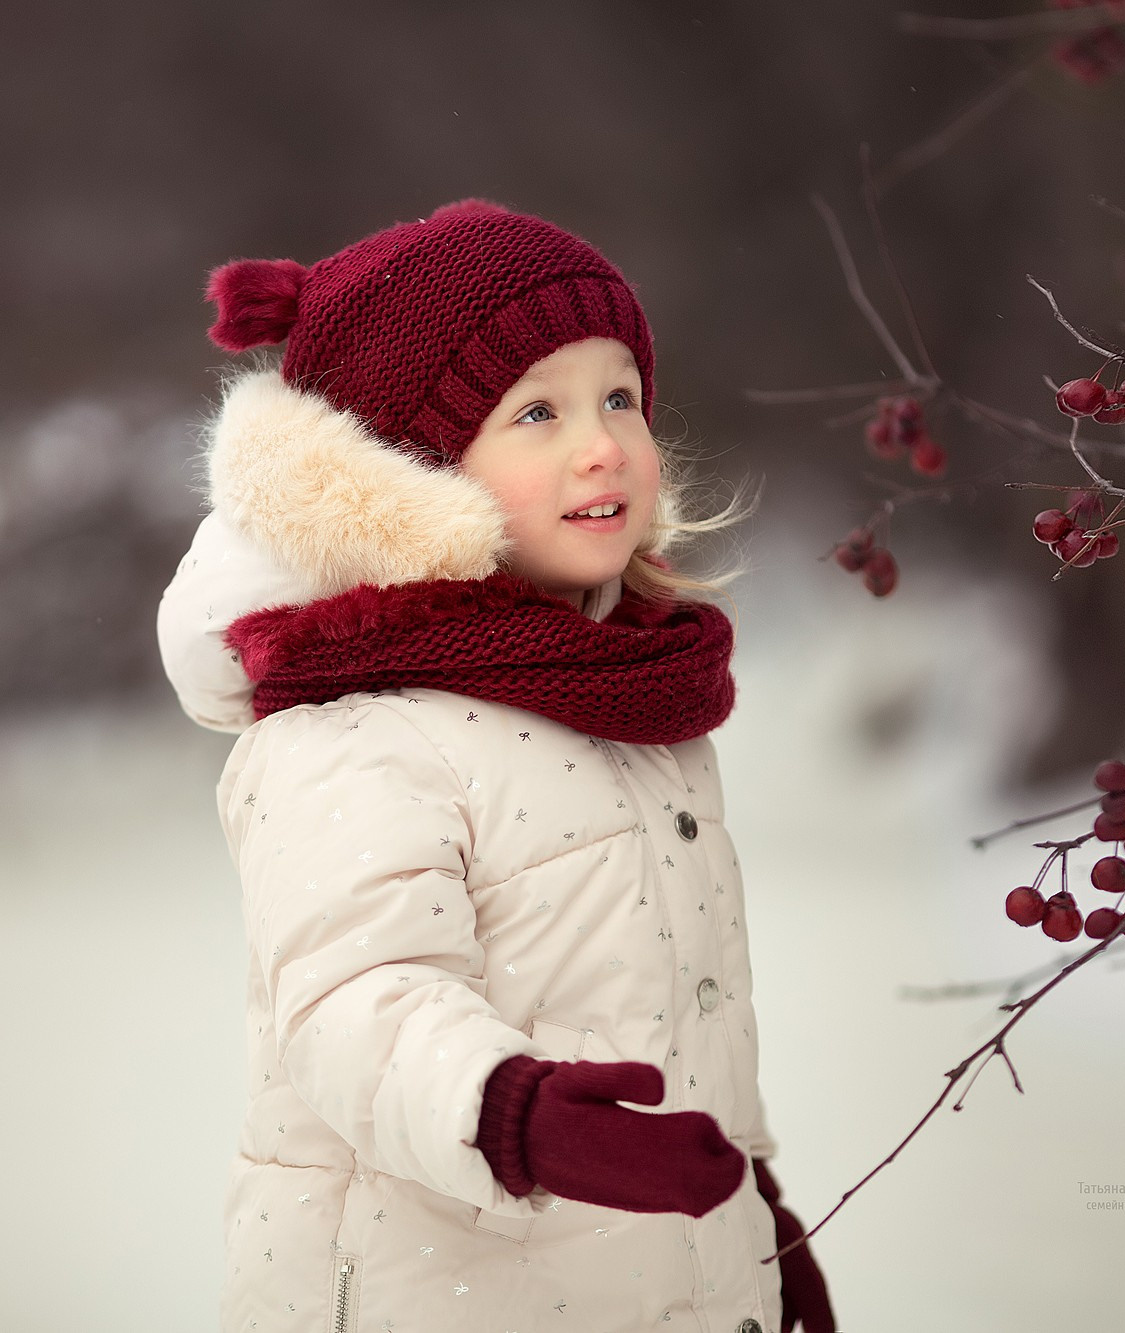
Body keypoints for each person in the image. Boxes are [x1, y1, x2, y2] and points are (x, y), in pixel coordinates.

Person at [157, 198, 836, 1333]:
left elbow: (684, 1012)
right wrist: (512, 1111)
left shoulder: (631, 700)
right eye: (536, 412)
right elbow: (353, 1004)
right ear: (413, 476)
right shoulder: (352, 729)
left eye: (618, 395)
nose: (601, 443)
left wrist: (756, 1221)